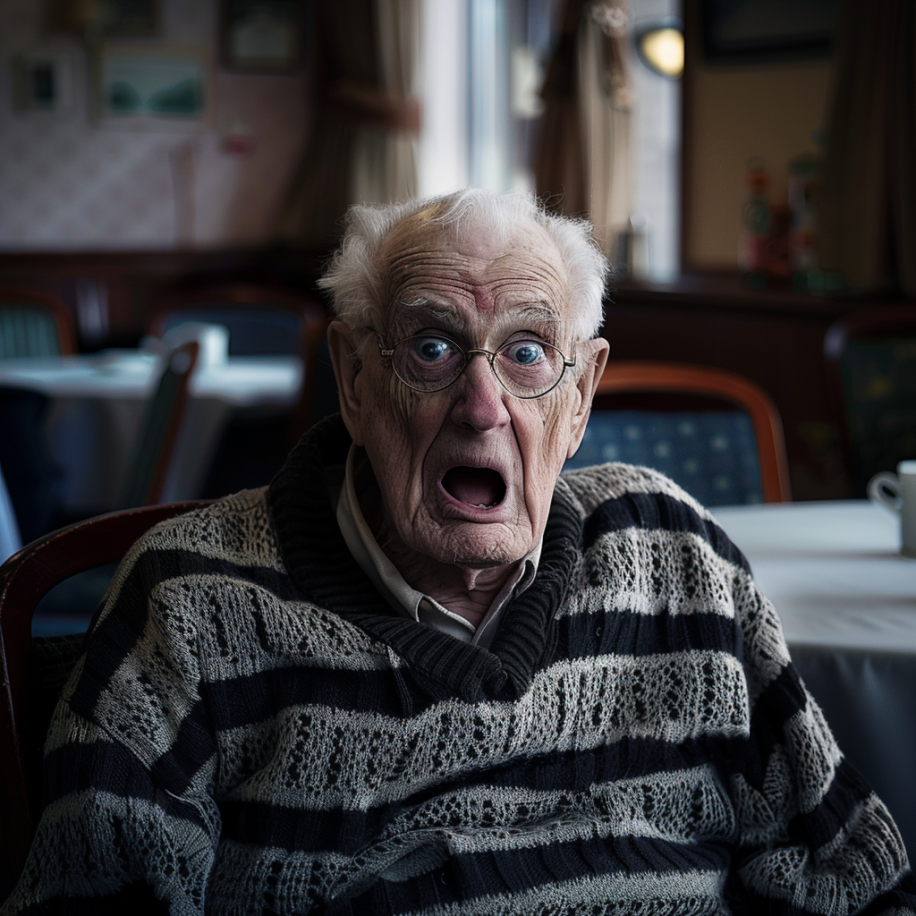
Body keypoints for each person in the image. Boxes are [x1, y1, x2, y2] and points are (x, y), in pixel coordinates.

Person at [3, 190, 914, 915]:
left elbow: (849, 873)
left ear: (581, 395)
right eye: (433, 348)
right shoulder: (193, 600)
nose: (483, 405)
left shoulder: (676, 558)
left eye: (525, 352)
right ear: (355, 381)